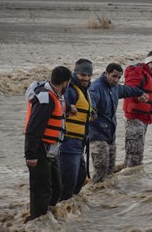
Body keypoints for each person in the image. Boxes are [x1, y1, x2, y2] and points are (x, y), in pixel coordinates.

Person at [24, 66, 72, 220]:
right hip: (40, 151)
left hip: (52, 151)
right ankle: (37, 222)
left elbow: (57, 112)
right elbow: (33, 128)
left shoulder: (56, 95)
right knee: (41, 192)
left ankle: (47, 221)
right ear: (65, 83)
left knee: (56, 189)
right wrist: (30, 155)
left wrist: (69, 109)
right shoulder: (45, 99)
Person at [88, 63, 148, 183]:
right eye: (114, 76)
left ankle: (108, 198)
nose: (116, 80)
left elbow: (127, 90)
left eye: (119, 78)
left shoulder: (115, 87)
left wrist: (140, 93)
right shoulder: (96, 87)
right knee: (101, 171)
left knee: (110, 172)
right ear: (106, 73)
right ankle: (92, 197)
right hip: (97, 135)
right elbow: (92, 99)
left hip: (110, 135)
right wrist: (92, 110)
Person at [123, 50, 152, 168]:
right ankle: (130, 180)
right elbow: (128, 90)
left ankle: (129, 178)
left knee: (137, 152)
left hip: (145, 117)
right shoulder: (137, 72)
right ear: (147, 62)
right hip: (134, 118)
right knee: (135, 153)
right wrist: (138, 97)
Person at [59, 59, 93, 201]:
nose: (86, 78)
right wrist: (67, 107)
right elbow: (59, 104)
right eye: (82, 75)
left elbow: (84, 109)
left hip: (79, 143)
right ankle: (57, 210)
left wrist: (92, 113)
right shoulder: (71, 90)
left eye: (88, 75)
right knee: (69, 182)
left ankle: (69, 212)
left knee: (80, 178)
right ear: (75, 73)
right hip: (68, 143)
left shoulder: (84, 90)